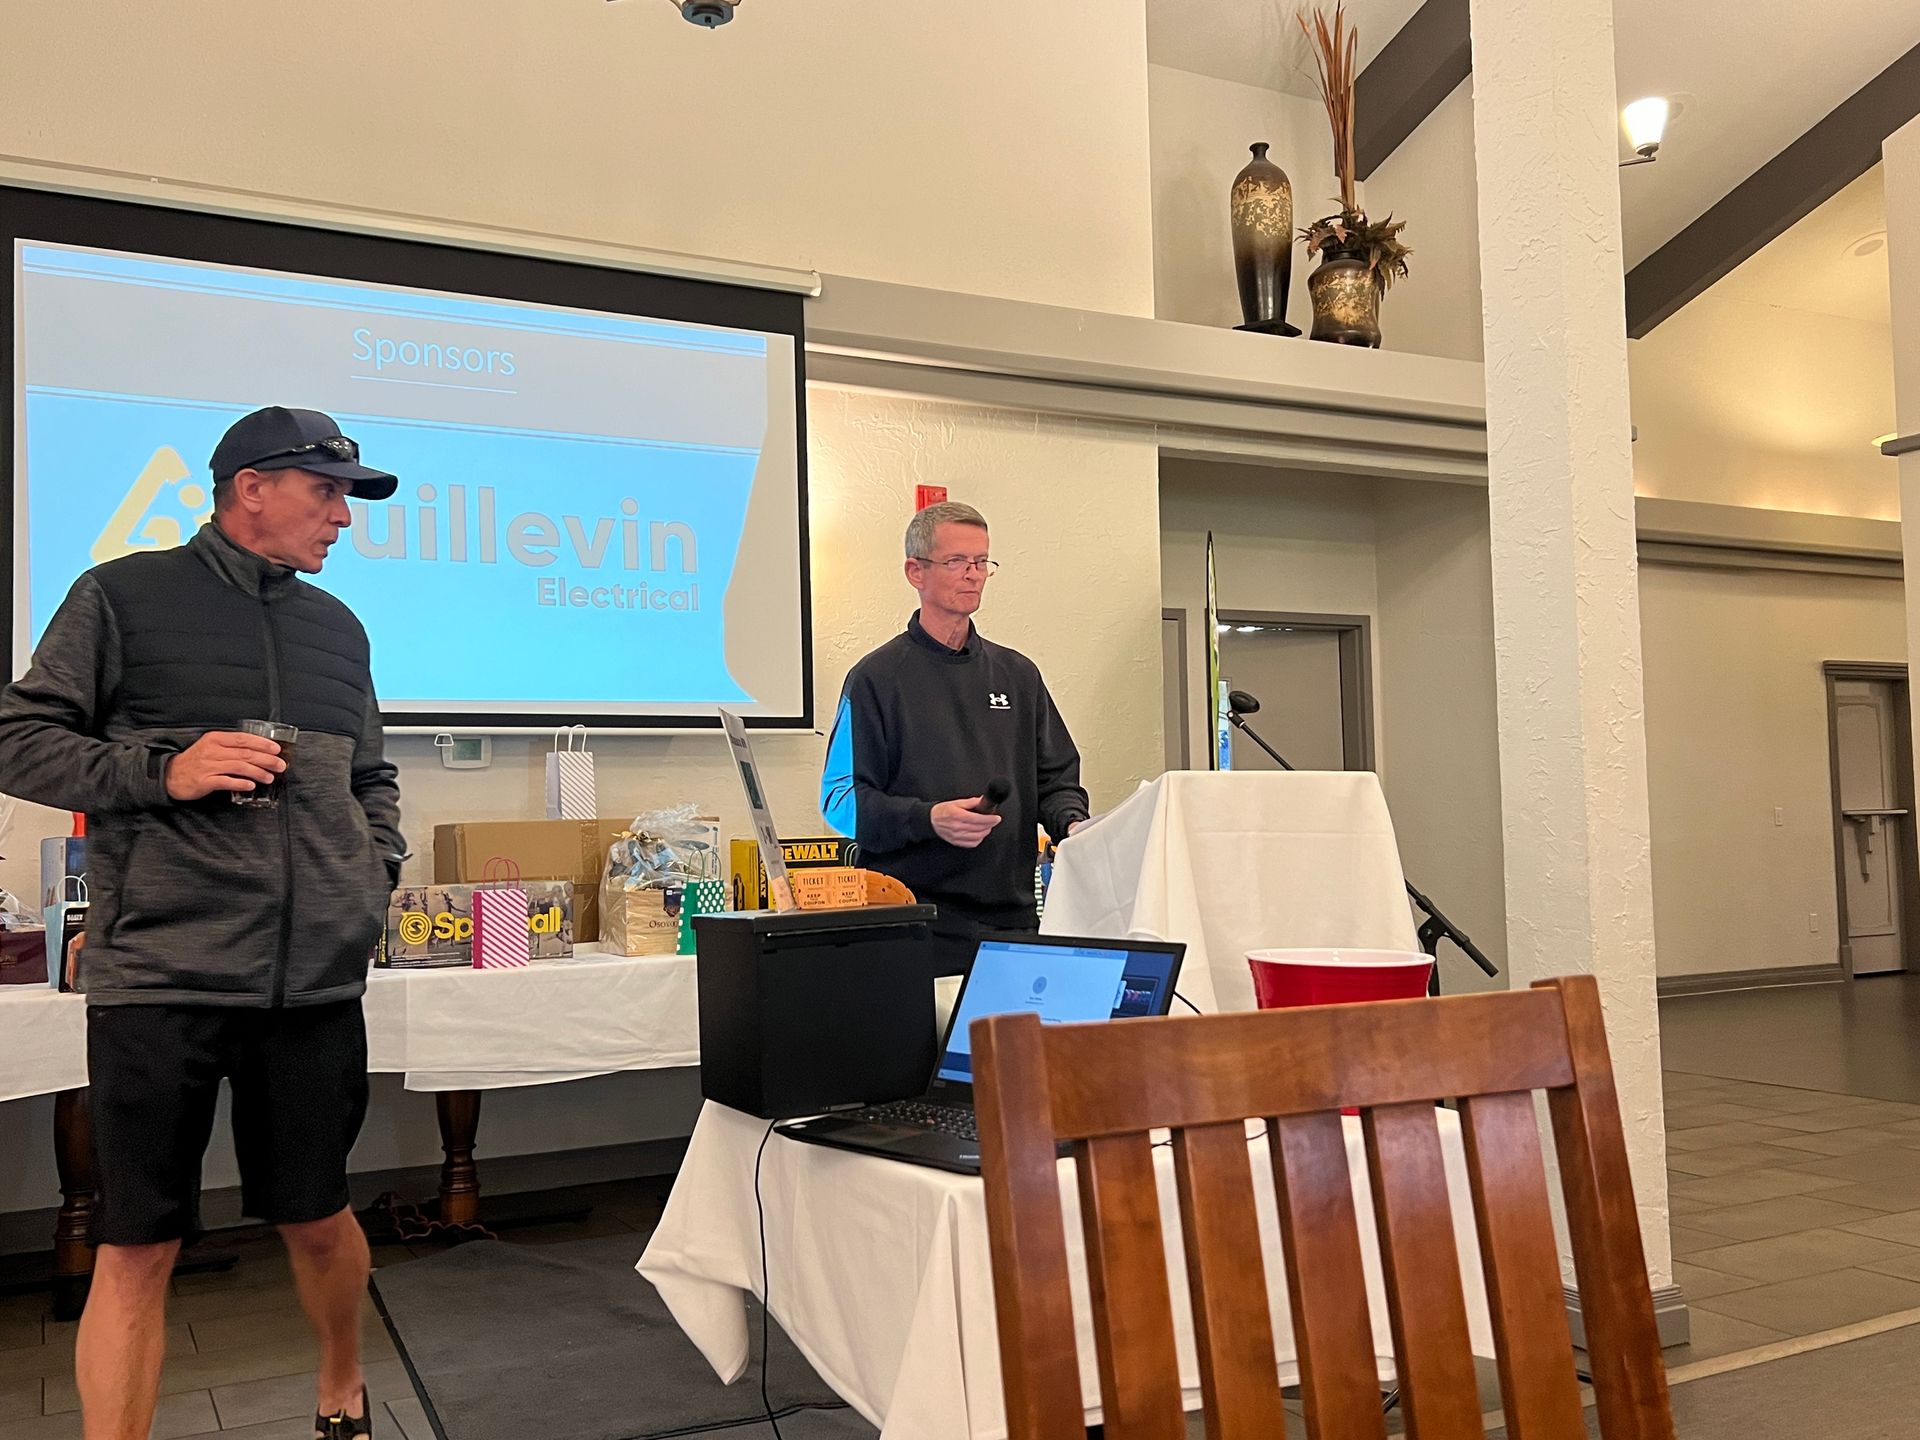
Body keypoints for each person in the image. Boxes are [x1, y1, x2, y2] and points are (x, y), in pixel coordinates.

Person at [0, 407, 408, 1440]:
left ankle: (343, 1387)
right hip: (160, 981)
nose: (343, 518)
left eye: (348, 497)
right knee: (138, 1243)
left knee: (319, 1218)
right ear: (250, 488)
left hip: (312, 985)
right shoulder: (121, 597)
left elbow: (370, 778)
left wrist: (371, 875)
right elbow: (18, 739)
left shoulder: (338, 629)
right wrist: (164, 771)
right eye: (327, 492)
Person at [821, 501, 1088, 974]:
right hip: (914, 926)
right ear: (915, 572)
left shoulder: (1018, 674)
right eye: (957, 561)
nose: (973, 574)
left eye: (982, 561)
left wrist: (1071, 824)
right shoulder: (875, 679)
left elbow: (1056, 780)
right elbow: (840, 802)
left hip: (1012, 923)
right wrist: (928, 819)